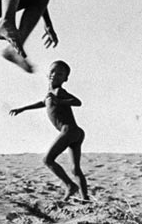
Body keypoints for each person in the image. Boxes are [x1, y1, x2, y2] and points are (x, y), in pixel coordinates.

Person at [10, 60, 88, 200]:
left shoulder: (59, 92)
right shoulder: (50, 93)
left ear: (65, 79)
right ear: (47, 74)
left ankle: (70, 186)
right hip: (76, 132)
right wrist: (22, 109)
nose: (55, 75)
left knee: (48, 160)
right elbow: (43, 103)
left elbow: (77, 102)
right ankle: (85, 198)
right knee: (75, 169)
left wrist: (60, 101)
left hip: (69, 131)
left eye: (60, 74)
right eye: (52, 72)